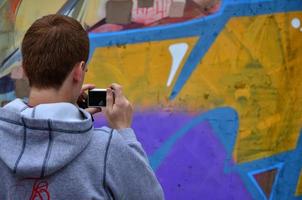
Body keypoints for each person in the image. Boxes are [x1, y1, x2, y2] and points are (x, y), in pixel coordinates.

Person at [0, 14, 164, 200]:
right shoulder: (107, 150)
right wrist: (124, 131)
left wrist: (65, 125)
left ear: (25, 68)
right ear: (79, 71)